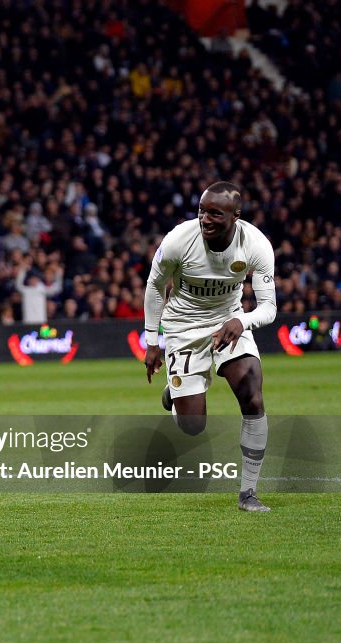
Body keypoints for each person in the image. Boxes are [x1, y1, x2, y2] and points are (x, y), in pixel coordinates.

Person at [144, 181, 277, 512]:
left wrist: (241, 321)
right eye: (202, 211)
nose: (205, 218)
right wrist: (152, 341)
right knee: (192, 426)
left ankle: (248, 493)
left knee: (252, 392)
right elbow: (155, 285)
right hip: (183, 328)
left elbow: (269, 307)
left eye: (215, 213)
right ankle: (175, 394)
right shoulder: (178, 240)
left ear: (235, 216)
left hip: (229, 323)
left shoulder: (256, 245)